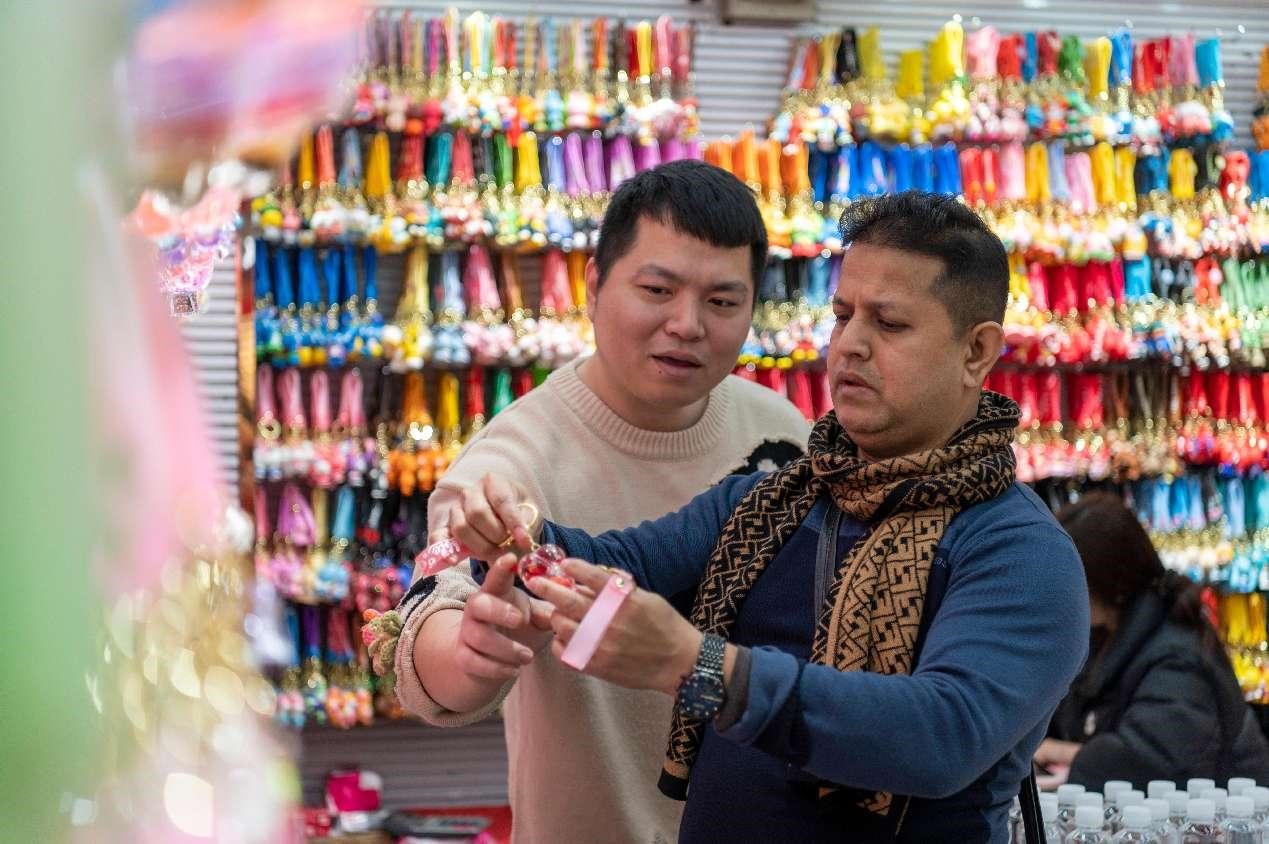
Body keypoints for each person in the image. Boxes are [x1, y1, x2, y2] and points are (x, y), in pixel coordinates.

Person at [447, 191, 1090, 843]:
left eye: (888, 324)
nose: (851, 346)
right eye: (842, 316)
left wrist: (698, 668)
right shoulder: (766, 503)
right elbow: (610, 566)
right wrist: (510, 538)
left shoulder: (1017, 551)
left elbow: (940, 735)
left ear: (976, 352)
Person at [391, 159, 811, 844]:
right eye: (656, 289)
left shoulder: (782, 434)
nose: (687, 324)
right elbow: (432, 618)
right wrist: (471, 652)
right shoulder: (513, 462)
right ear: (592, 285)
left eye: (723, 302)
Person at [1037, 492, 1269, 790]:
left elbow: (1152, 758)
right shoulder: (1109, 635)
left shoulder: (1178, 654)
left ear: (1108, 583)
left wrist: (1056, 751)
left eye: (1073, 582)